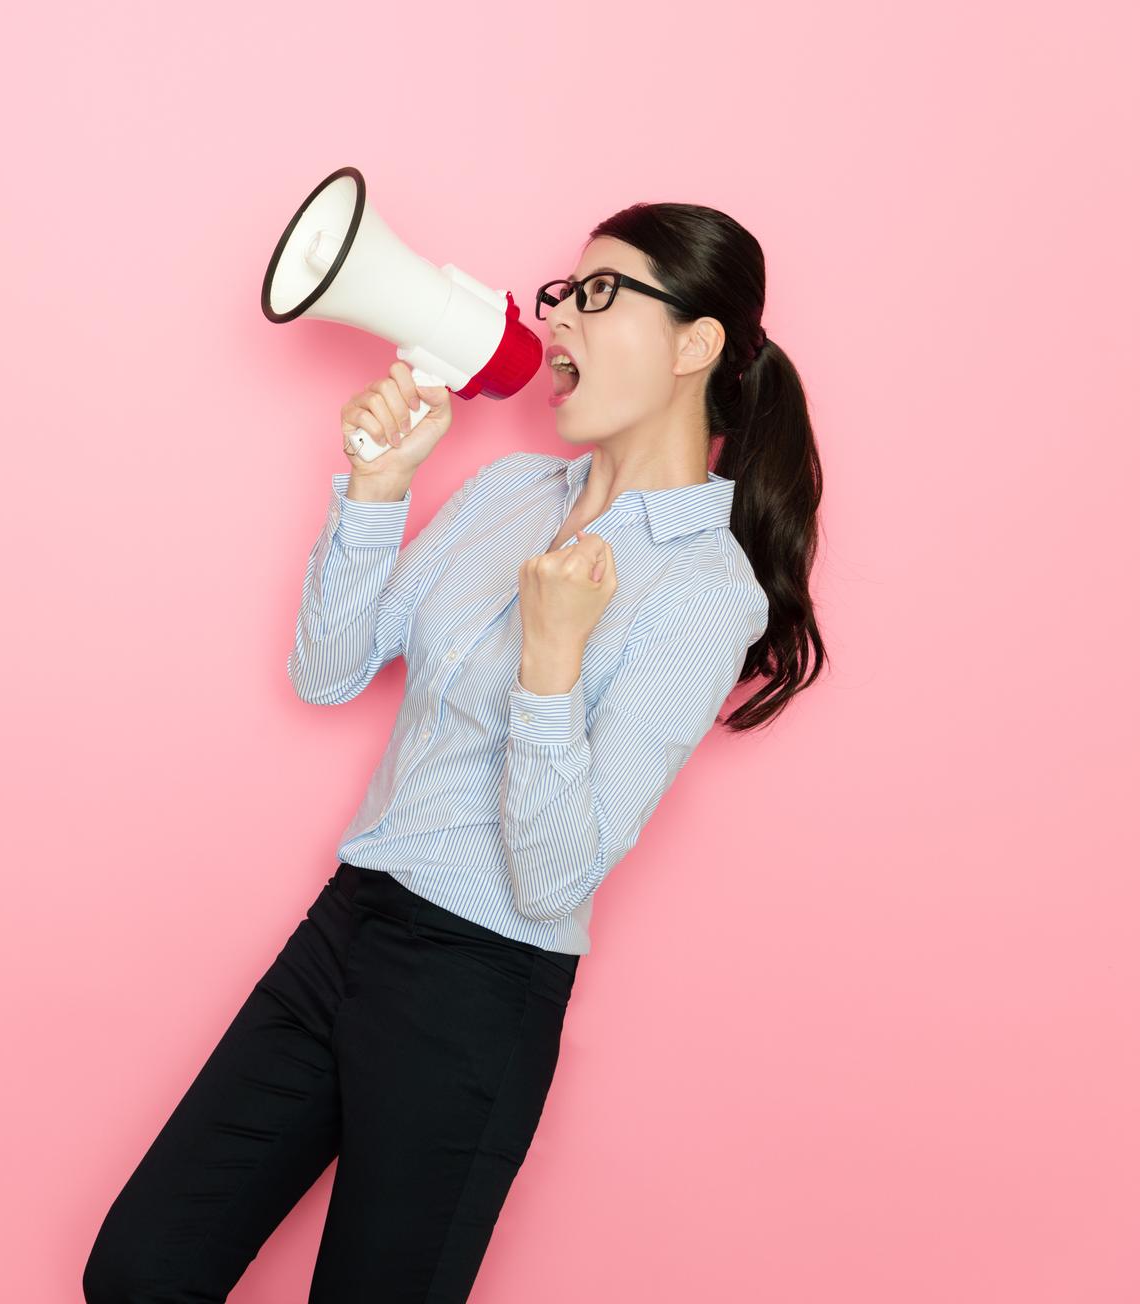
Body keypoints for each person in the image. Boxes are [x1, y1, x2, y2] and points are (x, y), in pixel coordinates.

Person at [84, 203, 826, 1304]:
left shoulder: (704, 591)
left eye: (599, 293)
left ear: (696, 343)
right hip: (345, 930)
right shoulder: (503, 494)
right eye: (562, 292)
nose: (559, 316)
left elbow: (554, 876)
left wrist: (550, 667)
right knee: (140, 1269)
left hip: (479, 989)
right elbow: (328, 671)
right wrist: (377, 488)